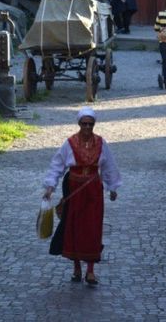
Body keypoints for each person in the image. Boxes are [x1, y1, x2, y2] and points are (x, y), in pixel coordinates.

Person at [43, 106, 122, 286]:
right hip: (74, 188)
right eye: (84, 124)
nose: (87, 127)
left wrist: (112, 187)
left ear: (94, 125)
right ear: (79, 124)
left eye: (90, 124)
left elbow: (109, 165)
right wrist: (50, 187)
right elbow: (57, 165)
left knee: (92, 227)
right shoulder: (69, 143)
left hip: (93, 189)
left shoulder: (101, 143)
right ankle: (77, 268)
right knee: (74, 227)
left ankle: (91, 270)